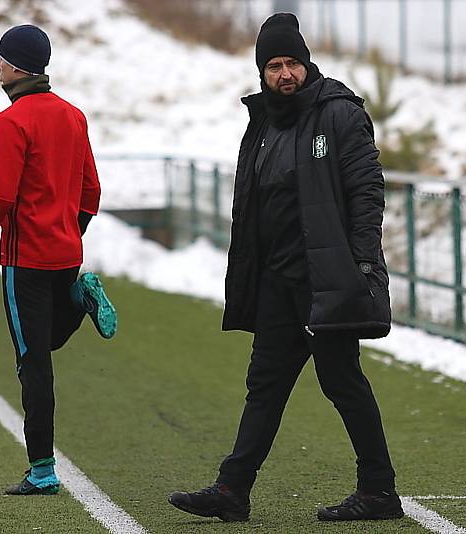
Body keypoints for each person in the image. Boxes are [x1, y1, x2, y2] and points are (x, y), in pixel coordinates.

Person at [168, 13, 402, 523]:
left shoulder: (339, 113)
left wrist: (363, 262)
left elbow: (367, 191)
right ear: (262, 72)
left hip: (327, 279)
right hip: (279, 283)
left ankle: (379, 490)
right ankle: (233, 489)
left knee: (341, 380)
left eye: (292, 62)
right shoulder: (262, 122)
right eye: (274, 65)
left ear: (307, 63)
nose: (284, 74)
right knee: (265, 385)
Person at [0, 24, 117, 496]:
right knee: (44, 346)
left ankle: (41, 471)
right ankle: (80, 299)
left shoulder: (11, 122)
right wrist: (70, 230)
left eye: (1, 59)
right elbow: (91, 190)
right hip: (66, 255)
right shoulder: (74, 115)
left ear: (18, 67)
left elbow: (1, 195)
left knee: (33, 363)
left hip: (25, 263)